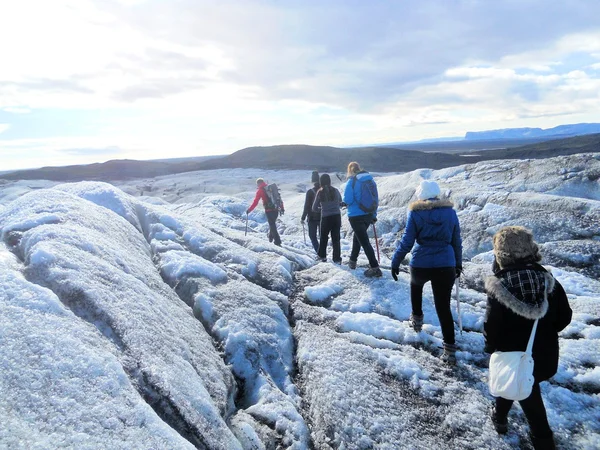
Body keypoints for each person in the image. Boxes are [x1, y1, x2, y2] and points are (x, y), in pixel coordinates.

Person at [484, 226, 572, 450]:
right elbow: (564, 317)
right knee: (515, 381)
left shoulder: (500, 286)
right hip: (544, 355)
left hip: (512, 355)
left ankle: (544, 440)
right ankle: (500, 417)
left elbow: (492, 327)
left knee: (524, 388)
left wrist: (491, 346)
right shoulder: (548, 281)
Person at [390, 180, 462, 364]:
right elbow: (456, 241)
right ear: (437, 194)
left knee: (416, 287)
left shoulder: (415, 213)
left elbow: (407, 241)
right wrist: (458, 264)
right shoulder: (450, 213)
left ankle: (417, 322)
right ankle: (450, 350)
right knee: (443, 307)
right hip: (446, 263)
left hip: (421, 262)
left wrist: (396, 260)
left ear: (420, 196)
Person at [343, 161, 382, 277]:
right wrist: (373, 215)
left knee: (364, 241)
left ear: (350, 170)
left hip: (356, 216)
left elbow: (348, 200)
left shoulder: (352, 181)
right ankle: (352, 261)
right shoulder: (370, 181)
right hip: (368, 214)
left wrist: (344, 203)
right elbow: (375, 199)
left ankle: (375, 267)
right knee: (358, 238)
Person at [312, 173, 342, 264]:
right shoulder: (335, 190)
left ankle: (322, 256)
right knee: (336, 238)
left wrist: (322, 209)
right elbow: (340, 201)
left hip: (326, 217)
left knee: (324, 237)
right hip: (336, 216)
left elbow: (314, 207)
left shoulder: (320, 192)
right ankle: (337, 259)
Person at [246, 178, 284, 247]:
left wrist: (249, 210)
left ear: (258, 183)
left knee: (272, 225)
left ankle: (277, 241)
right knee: (272, 224)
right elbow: (278, 198)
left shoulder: (260, 191)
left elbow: (255, 202)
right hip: (276, 210)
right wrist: (282, 208)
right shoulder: (271, 189)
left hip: (269, 211)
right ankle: (270, 237)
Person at [301, 171, 321, 252]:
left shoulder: (310, 192)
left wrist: (303, 217)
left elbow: (306, 206)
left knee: (312, 236)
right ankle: (322, 252)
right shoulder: (324, 191)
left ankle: (319, 251)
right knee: (322, 236)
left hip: (312, 217)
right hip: (322, 217)